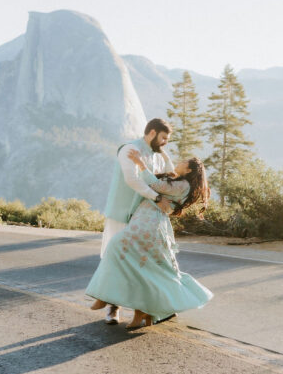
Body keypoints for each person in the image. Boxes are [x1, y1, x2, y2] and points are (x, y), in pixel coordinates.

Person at [86, 153, 213, 329]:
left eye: (183, 162)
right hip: (145, 218)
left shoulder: (184, 185)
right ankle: (134, 309)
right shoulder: (179, 182)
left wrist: (140, 164)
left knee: (118, 247)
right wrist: (162, 155)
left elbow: (155, 184)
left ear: (189, 169)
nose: (179, 162)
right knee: (139, 266)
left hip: (149, 222)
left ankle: (109, 300)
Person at [99, 118, 176, 323]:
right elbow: (132, 180)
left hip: (143, 216)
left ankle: (146, 308)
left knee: (143, 261)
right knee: (116, 258)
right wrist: (157, 198)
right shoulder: (130, 150)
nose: (165, 143)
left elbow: (170, 172)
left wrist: (163, 151)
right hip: (122, 213)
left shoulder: (157, 154)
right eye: (163, 138)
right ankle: (112, 308)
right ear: (151, 133)